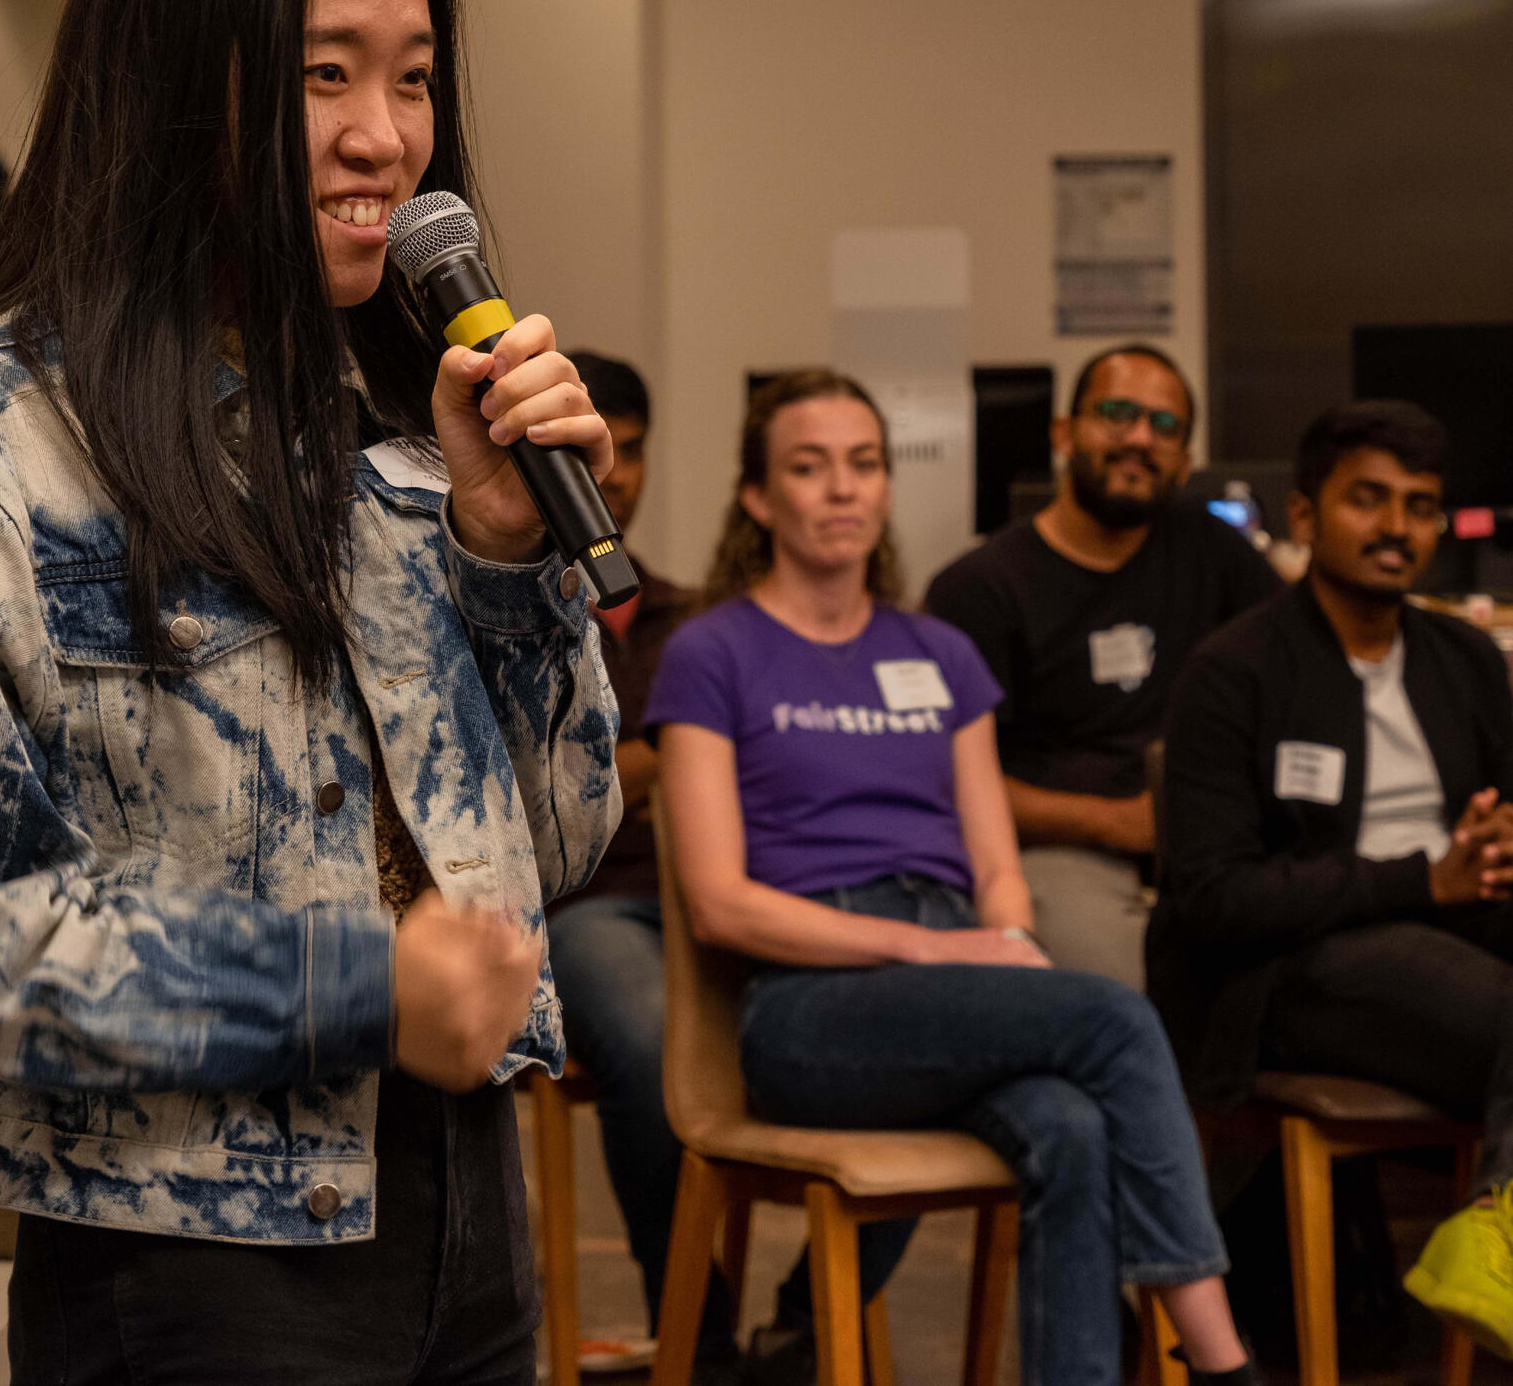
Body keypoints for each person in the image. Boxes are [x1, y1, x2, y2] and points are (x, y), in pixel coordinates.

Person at [0, 0, 623, 1385]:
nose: (385, 139)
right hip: (190, 1262)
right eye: (325, 76)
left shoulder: (404, 431)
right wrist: (352, 986)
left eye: (413, 79)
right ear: (176, 89)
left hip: (464, 1219)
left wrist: (511, 561)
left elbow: (562, 843)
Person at [654, 371, 1256, 1386]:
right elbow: (718, 904)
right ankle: (1224, 1363)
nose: (842, 488)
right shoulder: (711, 651)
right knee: (1116, 1019)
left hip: (952, 975)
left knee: (1070, 1128)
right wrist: (929, 946)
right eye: (809, 466)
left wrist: (1002, 941)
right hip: (809, 1005)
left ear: (888, 486)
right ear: (758, 496)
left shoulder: (939, 653)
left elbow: (997, 864)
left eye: (864, 463)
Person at [1151, 399, 1513, 1356]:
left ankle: (1496, 1236)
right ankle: (1502, 1229)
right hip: (1284, 969)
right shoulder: (1233, 671)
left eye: (1421, 506)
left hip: (1455, 924)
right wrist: (1419, 881)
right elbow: (1211, 898)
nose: (1398, 527)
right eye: (1369, 499)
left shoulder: (1466, 659)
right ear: (1305, 515)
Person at [925, 344, 1277, 988]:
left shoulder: (1220, 558)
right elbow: (948, 783)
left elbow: (1292, 676)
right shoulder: (979, 590)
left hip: (1213, 844)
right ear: (1064, 433)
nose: (1140, 438)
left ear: (1185, 460)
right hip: (1061, 851)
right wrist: (1116, 822)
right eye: (1117, 414)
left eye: (1164, 425)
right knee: (1130, 991)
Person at [539, 354, 706, 1373]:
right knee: (653, 1044)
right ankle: (694, 1324)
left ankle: (805, 1317)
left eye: (634, 450)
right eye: (605, 444)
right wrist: (671, 751)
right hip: (580, 906)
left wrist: (652, 758)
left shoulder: (694, 613)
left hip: (709, 898)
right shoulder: (514, 598)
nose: (619, 472)